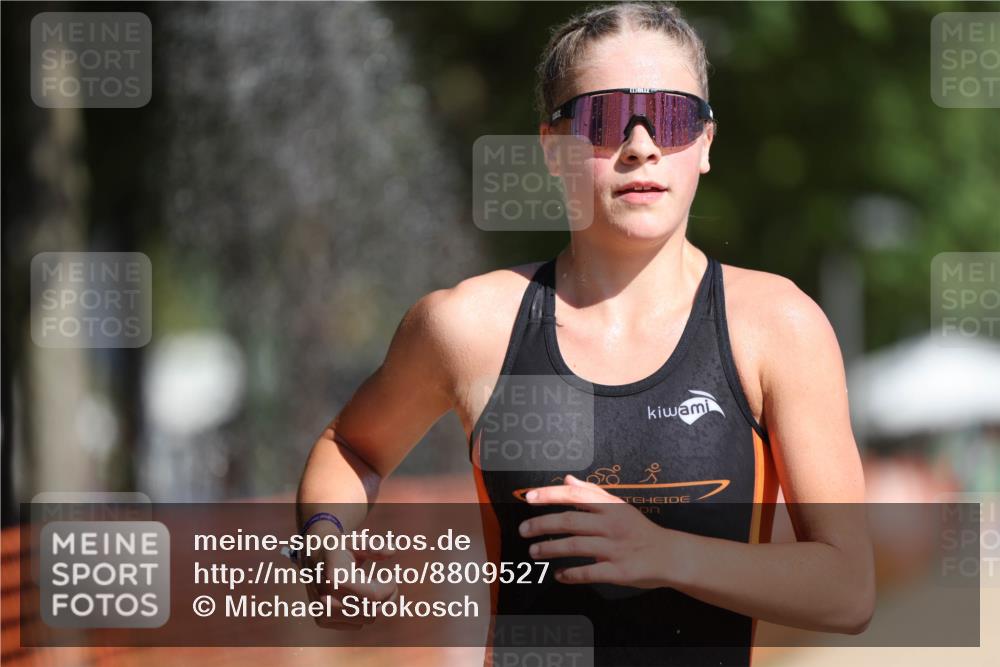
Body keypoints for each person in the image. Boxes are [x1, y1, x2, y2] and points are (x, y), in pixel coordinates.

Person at [296, 2, 875, 665]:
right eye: (603, 119)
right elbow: (351, 446)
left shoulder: (776, 325)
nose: (641, 145)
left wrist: (664, 553)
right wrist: (323, 541)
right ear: (553, 149)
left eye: (672, 117)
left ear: (705, 145)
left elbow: (847, 586)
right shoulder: (470, 325)